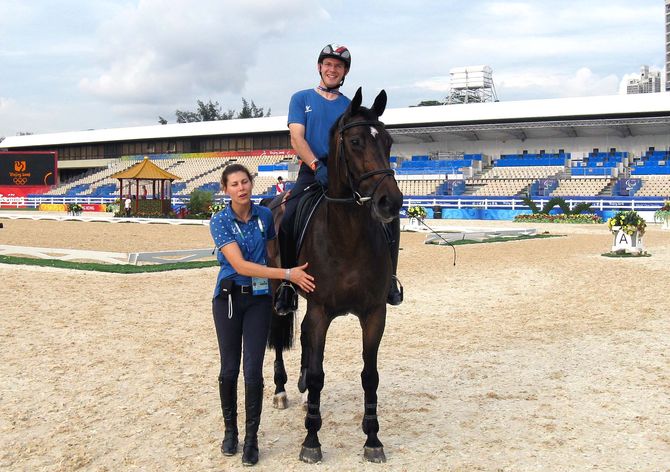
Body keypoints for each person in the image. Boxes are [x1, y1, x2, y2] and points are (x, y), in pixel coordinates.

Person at [276, 43, 403, 311]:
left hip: (346, 175)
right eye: (328, 64)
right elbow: (296, 138)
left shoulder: (350, 107)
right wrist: (315, 165)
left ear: (344, 72)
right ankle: (287, 285)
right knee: (289, 215)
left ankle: (390, 279)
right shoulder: (301, 99)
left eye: (338, 66)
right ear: (320, 67)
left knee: (389, 218)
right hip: (312, 171)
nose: (332, 70)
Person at [210, 163, 315, 467]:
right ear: (225, 189)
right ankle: (231, 431)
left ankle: (251, 439)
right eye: (234, 184)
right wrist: (287, 275)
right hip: (228, 300)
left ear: (251, 184)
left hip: (258, 301)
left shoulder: (266, 216)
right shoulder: (220, 221)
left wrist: (283, 279)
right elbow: (242, 266)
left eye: (245, 182)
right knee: (229, 370)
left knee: (253, 371)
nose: (241, 188)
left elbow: (271, 251)